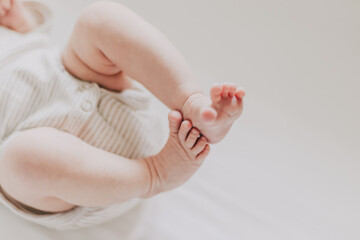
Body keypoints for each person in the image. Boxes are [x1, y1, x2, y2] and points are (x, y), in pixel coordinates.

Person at [0, 0, 245, 230]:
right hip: (84, 184)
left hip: (87, 83)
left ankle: (193, 103)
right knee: (21, 160)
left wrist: (17, 16)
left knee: (97, 21)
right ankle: (155, 174)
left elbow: (33, 31)